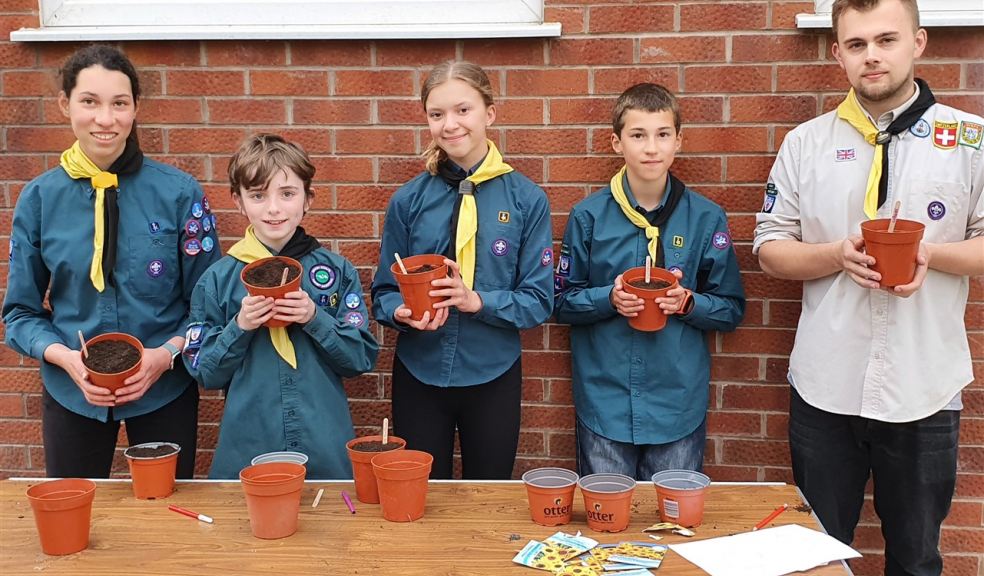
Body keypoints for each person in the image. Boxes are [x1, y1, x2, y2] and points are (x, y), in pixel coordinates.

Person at [753, 0, 984, 573]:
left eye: (886, 40)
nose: (872, 56)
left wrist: (932, 253)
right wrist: (835, 254)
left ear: (919, 42)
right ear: (837, 53)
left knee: (916, 560)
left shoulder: (971, 140)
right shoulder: (804, 144)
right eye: (856, 45)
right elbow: (769, 250)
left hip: (924, 386)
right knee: (818, 560)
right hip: (825, 384)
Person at [2, 44, 221, 478]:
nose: (105, 119)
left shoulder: (180, 194)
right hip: (73, 394)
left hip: (164, 389)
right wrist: (66, 359)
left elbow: (207, 306)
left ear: (135, 108)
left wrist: (165, 356)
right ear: (65, 104)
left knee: (165, 516)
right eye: (90, 102)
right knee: (74, 516)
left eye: (119, 103)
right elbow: (20, 313)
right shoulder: (40, 199)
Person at [371, 61, 553, 480]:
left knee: (487, 496)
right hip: (420, 371)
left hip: (493, 371)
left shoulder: (527, 200)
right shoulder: (408, 201)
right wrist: (399, 311)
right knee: (420, 494)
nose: (450, 124)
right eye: (437, 114)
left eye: (462, 110)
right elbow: (383, 290)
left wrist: (477, 301)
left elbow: (539, 300)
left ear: (489, 113)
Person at [554, 83, 745, 481]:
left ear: (679, 141)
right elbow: (560, 302)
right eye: (638, 135)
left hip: (676, 399)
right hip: (604, 399)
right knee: (607, 522)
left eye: (662, 135)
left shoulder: (706, 218)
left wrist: (688, 302)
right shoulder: (588, 217)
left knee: (673, 519)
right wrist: (610, 298)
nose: (651, 148)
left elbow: (730, 307)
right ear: (615, 143)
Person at [185, 134, 378, 479]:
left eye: (287, 194)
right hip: (248, 447)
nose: (273, 208)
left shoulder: (335, 272)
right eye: (258, 195)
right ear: (239, 202)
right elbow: (205, 372)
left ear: (308, 199)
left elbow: (361, 358)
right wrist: (240, 326)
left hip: (324, 444)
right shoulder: (217, 280)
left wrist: (314, 318)